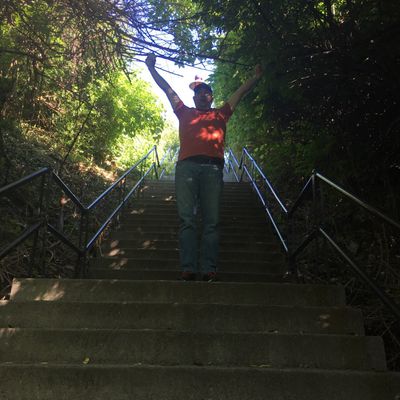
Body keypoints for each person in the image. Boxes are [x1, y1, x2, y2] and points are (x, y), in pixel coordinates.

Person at [145, 53, 262, 281]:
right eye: (198, 92)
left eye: (206, 92)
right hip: (186, 168)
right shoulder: (184, 112)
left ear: (211, 97)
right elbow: (168, 89)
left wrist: (255, 77)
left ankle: (209, 268)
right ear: (194, 96)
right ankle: (188, 268)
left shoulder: (221, 114)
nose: (202, 95)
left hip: (212, 170)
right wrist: (151, 69)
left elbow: (239, 93)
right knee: (187, 220)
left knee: (212, 221)